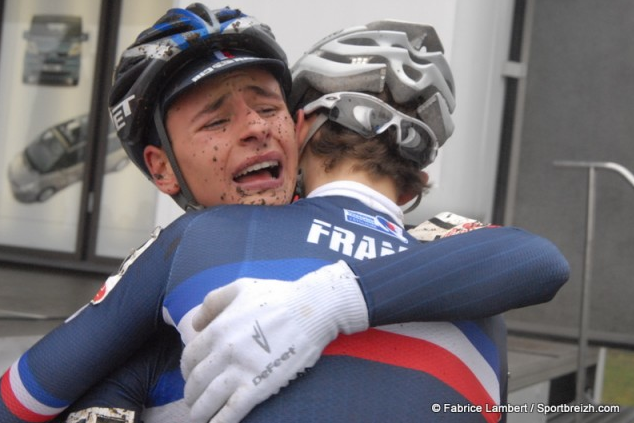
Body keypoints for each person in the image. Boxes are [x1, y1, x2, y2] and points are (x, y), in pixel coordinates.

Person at [0, 5, 569, 423]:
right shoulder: (450, 264)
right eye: (216, 121)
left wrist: (324, 303)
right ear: (162, 168)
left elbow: (532, 259)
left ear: (300, 128)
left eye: (270, 107)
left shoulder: (197, 244)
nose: (255, 128)